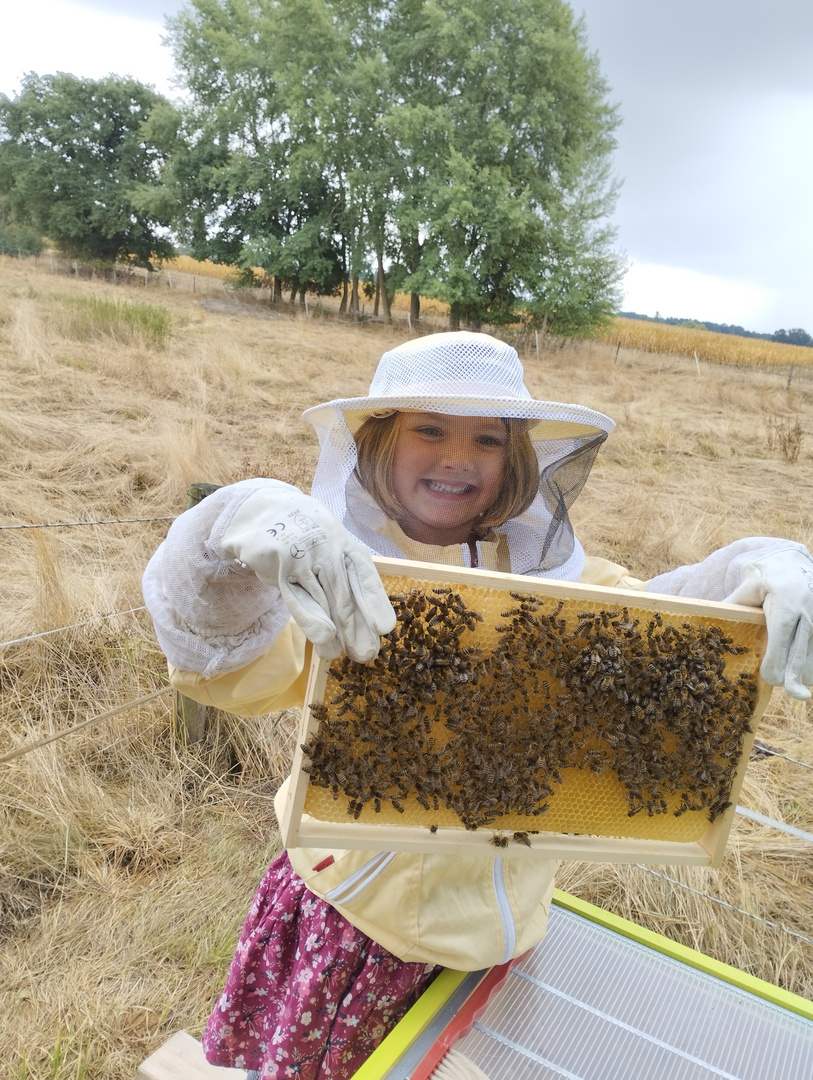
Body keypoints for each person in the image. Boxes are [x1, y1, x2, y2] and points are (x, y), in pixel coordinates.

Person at [142, 331, 813, 1079]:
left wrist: (756, 566)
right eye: (429, 429)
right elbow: (225, 666)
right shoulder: (340, 574)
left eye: (487, 439)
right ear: (377, 443)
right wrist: (218, 537)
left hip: (506, 935)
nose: (457, 456)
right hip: (355, 928)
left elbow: (651, 629)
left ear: (517, 459)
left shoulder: (552, 574)